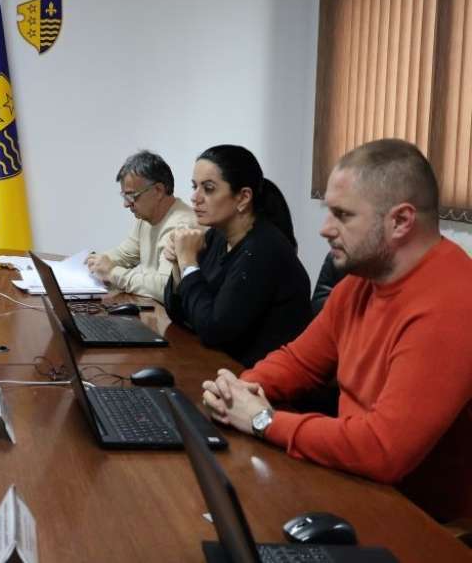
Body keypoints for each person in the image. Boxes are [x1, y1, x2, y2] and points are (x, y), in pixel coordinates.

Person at [201, 139, 472, 523]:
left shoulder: (452, 302)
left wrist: (264, 421)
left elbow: (383, 450)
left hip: (421, 522)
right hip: (355, 485)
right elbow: (299, 362)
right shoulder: (362, 281)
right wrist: (240, 391)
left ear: (400, 221)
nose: (325, 229)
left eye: (342, 215)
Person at [163, 145, 311, 366]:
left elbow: (214, 329)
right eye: (195, 187)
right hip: (222, 365)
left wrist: (189, 263)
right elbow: (180, 313)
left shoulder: (263, 249)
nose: (195, 197)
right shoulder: (217, 237)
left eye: (208, 189)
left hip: (260, 376)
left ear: (243, 197)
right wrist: (178, 263)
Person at [86, 150, 196, 301]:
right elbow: (124, 254)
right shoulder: (146, 218)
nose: (126, 204)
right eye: (125, 196)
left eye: (132, 196)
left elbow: (165, 287)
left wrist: (113, 273)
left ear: (158, 190)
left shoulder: (181, 226)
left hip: (167, 313)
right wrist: (95, 263)